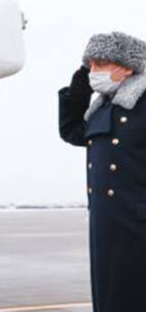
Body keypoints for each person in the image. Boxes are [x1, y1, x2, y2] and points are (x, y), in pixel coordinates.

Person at [58, 31, 146, 311]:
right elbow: (72, 131)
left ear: (127, 67)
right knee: (111, 298)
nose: (94, 72)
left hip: (137, 225)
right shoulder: (101, 107)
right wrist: (81, 82)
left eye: (101, 64)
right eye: (90, 65)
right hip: (107, 224)